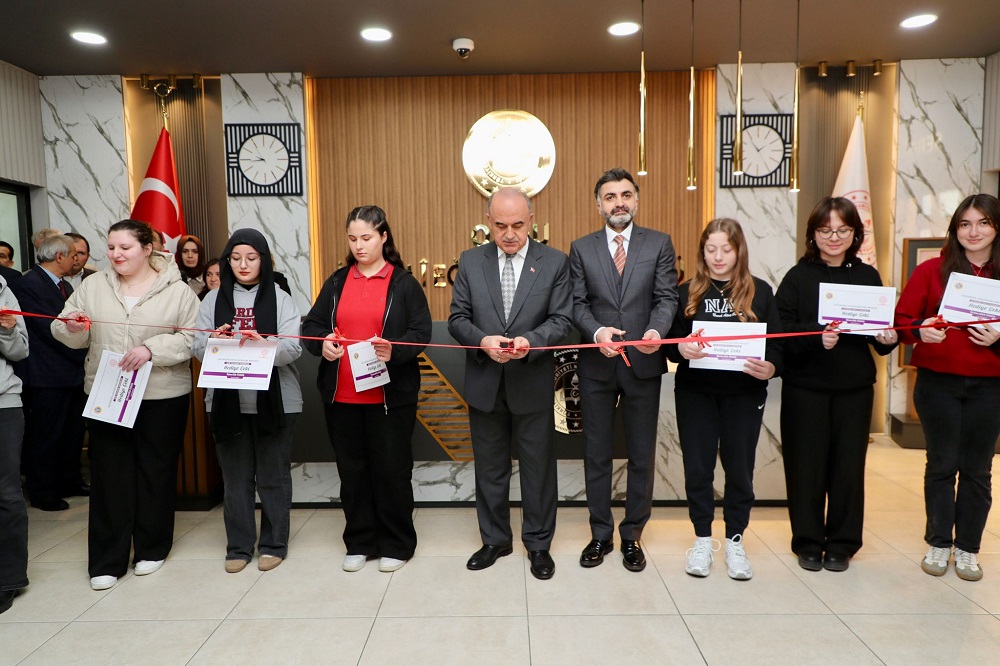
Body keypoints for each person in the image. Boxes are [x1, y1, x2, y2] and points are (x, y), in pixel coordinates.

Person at [52, 220, 199, 591]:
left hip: (161, 395)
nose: (116, 255)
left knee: (155, 472)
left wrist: (152, 350)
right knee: (109, 476)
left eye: (125, 248)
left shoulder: (177, 290)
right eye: (111, 247)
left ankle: (152, 548)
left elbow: (194, 339)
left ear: (147, 249)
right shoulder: (93, 285)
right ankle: (107, 560)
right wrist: (73, 328)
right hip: (108, 394)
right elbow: (63, 327)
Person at [448, 187, 572, 580]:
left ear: (531, 221)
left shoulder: (554, 263)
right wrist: (481, 342)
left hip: (532, 381)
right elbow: (457, 319)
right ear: (488, 221)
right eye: (500, 225)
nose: (509, 234)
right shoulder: (470, 261)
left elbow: (563, 320)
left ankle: (538, 545)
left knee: (538, 469)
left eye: (518, 225)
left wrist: (530, 342)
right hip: (486, 381)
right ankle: (495, 540)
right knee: (490, 468)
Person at [302, 206, 431, 573]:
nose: (359, 246)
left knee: (391, 470)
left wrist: (395, 349)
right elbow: (310, 326)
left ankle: (397, 543)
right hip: (341, 395)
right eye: (353, 238)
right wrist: (322, 342)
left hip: (389, 396)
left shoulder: (403, 283)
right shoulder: (338, 282)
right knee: (353, 471)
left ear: (384, 237)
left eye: (367, 238)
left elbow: (421, 334)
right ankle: (360, 541)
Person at [775, 197, 897, 573]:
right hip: (805, 389)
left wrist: (889, 338)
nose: (834, 237)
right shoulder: (798, 277)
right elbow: (779, 333)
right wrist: (816, 338)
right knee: (805, 467)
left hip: (854, 390)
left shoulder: (868, 276)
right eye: (825, 230)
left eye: (842, 230)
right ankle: (808, 542)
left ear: (855, 233)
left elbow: (879, 339)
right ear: (813, 234)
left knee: (847, 469)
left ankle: (842, 543)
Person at [568, 167, 678, 573]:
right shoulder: (581, 248)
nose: (619, 203)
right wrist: (596, 331)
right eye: (610, 196)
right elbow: (576, 303)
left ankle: (632, 535)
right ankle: (600, 534)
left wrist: (655, 330)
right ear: (598, 205)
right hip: (598, 366)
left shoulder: (659, 244)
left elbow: (667, 297)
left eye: (626, 195)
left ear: (636, 200)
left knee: (641, 455)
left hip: (644, 363)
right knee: (595, 454)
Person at [665, 219, 782, 580]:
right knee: (698, 469)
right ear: (702, 252)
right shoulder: (686, 292)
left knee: (739, 469)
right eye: (711, 249)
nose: (718, 257)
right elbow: (671, 341)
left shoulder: (760, 292)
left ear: (738, 251)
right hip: (695, 394)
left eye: (726, 250)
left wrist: (772, 367)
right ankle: (702, 540)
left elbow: (777, 343)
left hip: (743, 396)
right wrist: (681, 348)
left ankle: (734, 540)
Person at [895, 193, 1000, 582]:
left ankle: (968, 548)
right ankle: (939, 542)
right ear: (955, 229)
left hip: (991, 386)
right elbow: (903, 321)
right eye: (965, 224)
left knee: (977, 469)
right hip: (938, 382)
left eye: (983, 223)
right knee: (941, 465)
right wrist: (919, 331)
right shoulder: (932, 270)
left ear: (996, 228)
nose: (974, 232)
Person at [193, 228, 302, 574]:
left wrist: (263, 344)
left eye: (251, 258)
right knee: (236, 479)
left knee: (273, 477)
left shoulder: (281, 298)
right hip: (226, 404)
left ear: (264, 261)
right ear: (227, 261)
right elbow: (196, 349)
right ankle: (238, 546)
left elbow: (294, 349)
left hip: (277, 402)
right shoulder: (212, 299)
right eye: (236, 258)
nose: (243, 264)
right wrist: (214, 340)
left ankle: (274, 544)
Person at [12, 234, 88, 511]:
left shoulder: (64, 285)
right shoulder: (28, 284)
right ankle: (42, 491)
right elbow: (48, 329)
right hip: (46, 374)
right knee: (46, 435)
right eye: (72, 255)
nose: (76, 260)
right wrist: (82, 349)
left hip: (71, 372)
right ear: (59, 256)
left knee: (71, 432)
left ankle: (69, 480)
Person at [0, 276, 29, 615]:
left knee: (6, 493)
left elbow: (20, 350)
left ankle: (8, 578)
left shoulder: (2, 287)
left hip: (4, 404)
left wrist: (6, 328)